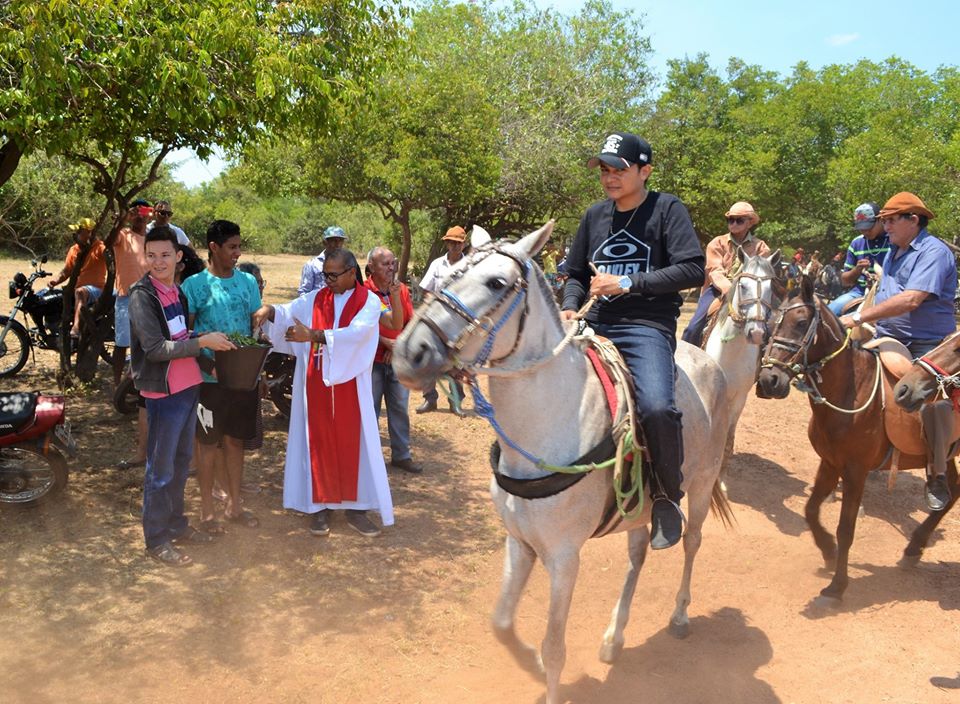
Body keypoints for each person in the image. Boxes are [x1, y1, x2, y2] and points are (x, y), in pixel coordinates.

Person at [561, 131, 705, 550]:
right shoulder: (593, 216)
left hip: (646, 325)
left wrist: (627, 282)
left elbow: (693, 270)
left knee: (658, 407)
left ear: (645, 171)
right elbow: (576, 273)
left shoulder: (667, 210)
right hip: (595, 322)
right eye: (604, 170)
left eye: (618, 170)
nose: (609, 178)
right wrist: (571, 304)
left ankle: (665, 496)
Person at [252, 249, 399, 537]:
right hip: (315, 385)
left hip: (351, 387)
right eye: (325, 274)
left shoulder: (367, 302)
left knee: (354, 446)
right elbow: (288, 310)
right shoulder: (317, 298)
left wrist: (315, 336)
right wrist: (269, 310)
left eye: (333, 275)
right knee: (316, 444)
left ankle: (357, 509)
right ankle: (319, 508)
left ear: (351, 272)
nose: (328, 280)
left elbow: (358, 333)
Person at [838, 192, 957, 511]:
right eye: (884, 220)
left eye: (891, 220)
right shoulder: (893, 250)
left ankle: (937, 473)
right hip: (888, 334)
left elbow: (911, 300)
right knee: (848, 374)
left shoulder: (934, 252)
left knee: (932, 402)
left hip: (928, 341)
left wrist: (859, 316)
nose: (885, 226)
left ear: (913, 220)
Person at [128, 225, 235, 567]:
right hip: (163, 394)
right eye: (151, 255)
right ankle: (156, 538)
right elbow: (156, 349)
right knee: (159, 470)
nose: (158, 262)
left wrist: (207, 361)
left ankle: (176, 525)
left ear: (178, 257)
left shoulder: (177, 292)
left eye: (165, 255)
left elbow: (183, 334)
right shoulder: (142, 295)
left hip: (189, 387)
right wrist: (203, 343)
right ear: (145, 258)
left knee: (178, 463)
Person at [181, 219, 263, 533]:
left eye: (239, 246)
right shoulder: (194, 286)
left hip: (241, 379)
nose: (238, 253)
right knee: (207, 443)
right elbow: (185, 333)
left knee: (234, 442)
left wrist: (258, 369)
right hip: (208, 381)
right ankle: (206, 511)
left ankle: (234, 506)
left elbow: (254, 328)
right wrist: (205, 362)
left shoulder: (247, 283)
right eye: (232, 247)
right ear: (213, 248)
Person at [364, 246, 423, 474]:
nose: (390, 268)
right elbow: (360, 328)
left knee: (399, 407)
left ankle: (401, 455)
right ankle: (369, 457)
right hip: (372, 362)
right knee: (370, 409)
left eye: (392, 263)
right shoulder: (363, 292)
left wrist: (397, 346)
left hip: (396, 361)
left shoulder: (402, 290)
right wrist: (384, 343)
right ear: (371, 267)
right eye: (384, 264)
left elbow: (410, 322)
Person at [681, 201, 769, 346]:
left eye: (739, 220)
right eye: (730, 219)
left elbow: (762, 274)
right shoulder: (717, 243)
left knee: (772, 326)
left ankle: (769, 362)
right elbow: (715, 272)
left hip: (752, 293)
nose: (733, 223)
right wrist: (730, 290)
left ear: (750, 223)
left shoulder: (761, 247)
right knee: (693, 328)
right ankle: (681, 360)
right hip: (718, 291)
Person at [416, 225, 468, 415]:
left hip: (460, 322)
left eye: (458, 243)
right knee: (429, 358)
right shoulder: (437, 264)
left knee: (456, 362)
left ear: (464, 244)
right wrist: (433, 305)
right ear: (446, 243)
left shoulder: (470, 265)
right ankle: (430, 399)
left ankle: (456, 401)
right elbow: (426, 289)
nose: (454, 246)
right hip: (436, 320)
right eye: (451, 242)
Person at [47, 217, 108, 338]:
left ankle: (76, 327)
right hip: (76, 289)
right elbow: (67, 270)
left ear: (89, 233)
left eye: (80, 231)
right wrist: (55, 280)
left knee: (80, 292)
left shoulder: (100, 248)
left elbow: (111, 258)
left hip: (96, 289)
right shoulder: (74, 249)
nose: (76, 234)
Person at [827, 202, 890, 316]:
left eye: (868, 228)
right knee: (826, 314)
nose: (865, 232)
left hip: (888, 293)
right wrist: (857, 269)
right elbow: (845, 281)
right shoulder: (857, 243)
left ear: (880, 219)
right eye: (861, 229)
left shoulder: (894, 240)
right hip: (859, 292)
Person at [297, 225, 347, 295]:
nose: (338, 244)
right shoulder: (312, 265)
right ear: (325, 242)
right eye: (334, 240)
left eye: (340, 241)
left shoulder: (347, 264)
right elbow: (304, 292)